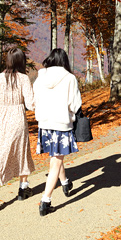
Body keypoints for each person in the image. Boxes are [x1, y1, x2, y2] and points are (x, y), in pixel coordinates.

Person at [0, 48, 35, 215]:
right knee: (21, 151)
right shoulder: (24, 78)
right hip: (18, 118)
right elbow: (31, 104)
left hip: (2, 119)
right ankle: (23, 189)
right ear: (21, 61)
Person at [33, 48, 82, 217]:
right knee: (55, 161)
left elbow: (34, 101)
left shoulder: (39, 78)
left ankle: (65, 182)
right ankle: (45, 201)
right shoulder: (69, 78)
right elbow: (75, 104)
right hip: (62, 123)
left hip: (44, 124)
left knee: (55, 157)